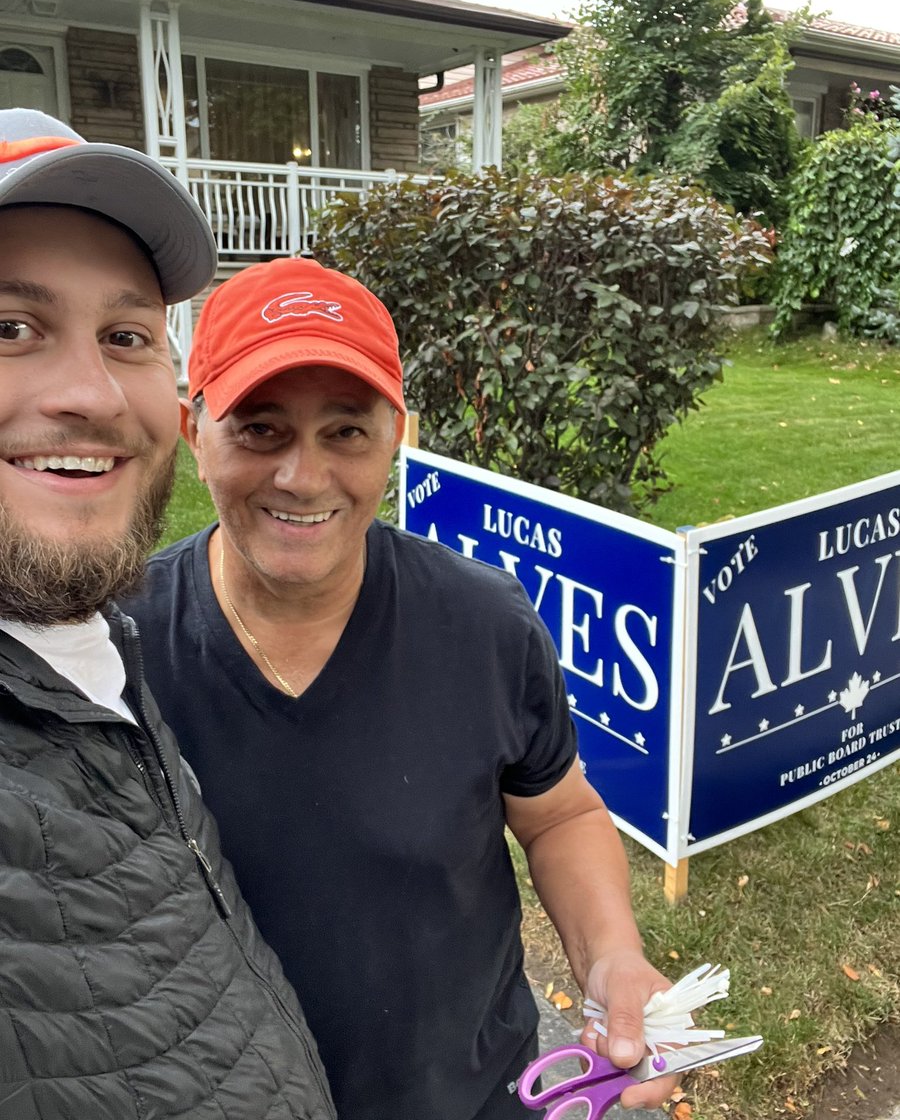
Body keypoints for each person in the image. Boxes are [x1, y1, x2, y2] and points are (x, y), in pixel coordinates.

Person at [124, 256, 677, 1119]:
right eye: (260, 429)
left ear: (397, 436)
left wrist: (609, 956)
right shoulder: (116, 651)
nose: (303, 477)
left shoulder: (484, 625)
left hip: (467, 1095)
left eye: (346, 431)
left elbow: (558, 813)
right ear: (195, 434)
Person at [0, 109, 335, 1120]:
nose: (95, 394)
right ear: (202, 432)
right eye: (10, 328)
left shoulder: (104, 643)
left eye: (127, 336)